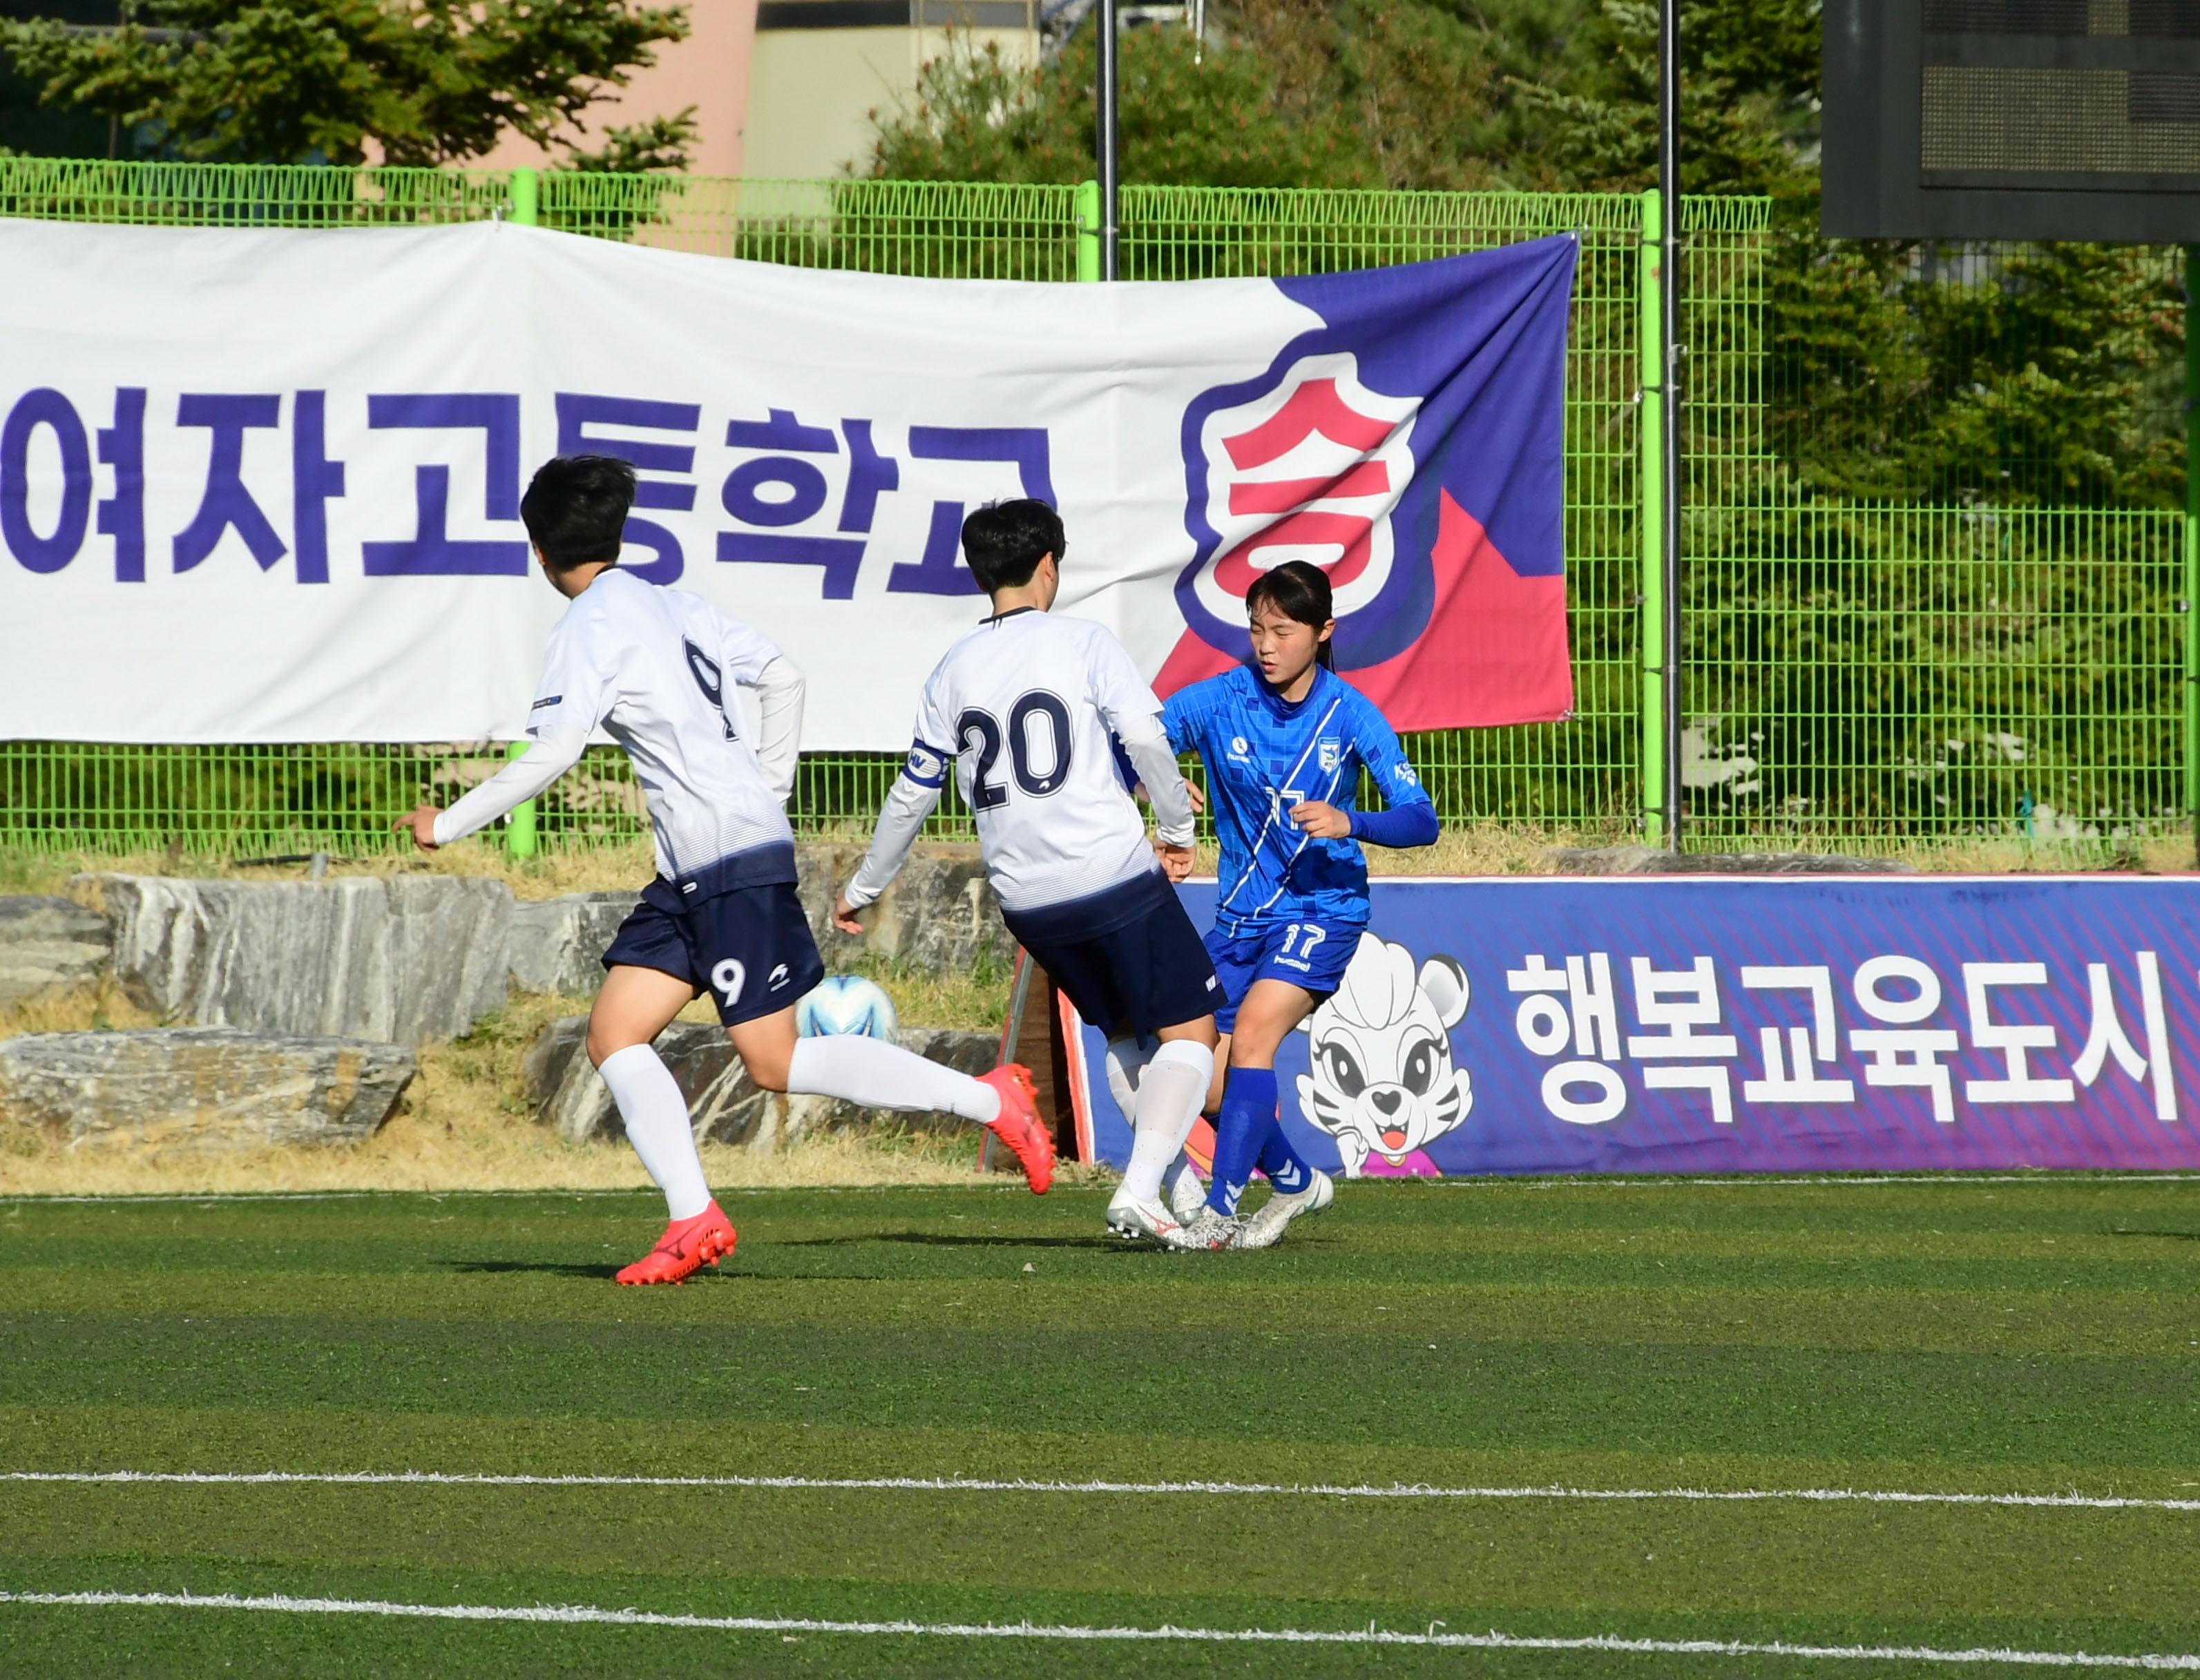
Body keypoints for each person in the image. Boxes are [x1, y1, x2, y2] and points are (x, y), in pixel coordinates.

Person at [394, 455, 1053, 1286]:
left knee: (772, 1062)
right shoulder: (675, 603)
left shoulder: (589, 626)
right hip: (695, 866)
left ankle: (992, 1099)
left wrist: (447, 823)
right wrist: (766, 786)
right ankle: (692, 1216)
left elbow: (555, 750)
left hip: (726, 860)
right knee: (615, 1034)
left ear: (538, 553)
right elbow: (784, 674)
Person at [836, 499, 1227, 1248]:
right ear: (1049, 567)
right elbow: (1144, 736)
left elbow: (914, 790)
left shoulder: (952, 667)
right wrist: (1178, 829)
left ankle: (1178, 1185)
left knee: (1123, 1034)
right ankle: (1142, 1190)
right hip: (1109, 873)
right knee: (1190, 1031)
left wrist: (863, 884)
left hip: (1029, 899)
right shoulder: (1083, 641)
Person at [1154, 560, 1442, 1250]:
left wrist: (1352, 822)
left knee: (1253, 1036)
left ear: (1323, 632)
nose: (1266, 644)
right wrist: (1155, 784)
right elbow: (1133, 739)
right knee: (1210, 1082)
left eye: (1282, 629)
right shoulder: (1221, 699)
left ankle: (1220, 1214)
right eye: (1256, 628)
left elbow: (1421, 818)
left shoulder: (1350, 713)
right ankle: (1294, 1179)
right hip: (1238, 919)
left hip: (1324, 909)